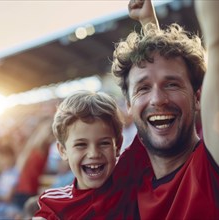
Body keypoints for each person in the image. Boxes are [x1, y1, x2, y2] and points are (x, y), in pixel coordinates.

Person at [110, 0, 219, 219]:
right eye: (143, 88)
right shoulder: (131, 172)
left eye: (172, 84)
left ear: (198, 97)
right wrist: (149, 24)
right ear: (128, 105)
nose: (157, 99)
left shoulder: (217, 169)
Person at [33, 90, 141, 219]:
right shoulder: (54, 206)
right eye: (81, 145)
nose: (93, 153)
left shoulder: (133, 189)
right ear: (63, 150)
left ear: (117, 146)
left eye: (104, 143)